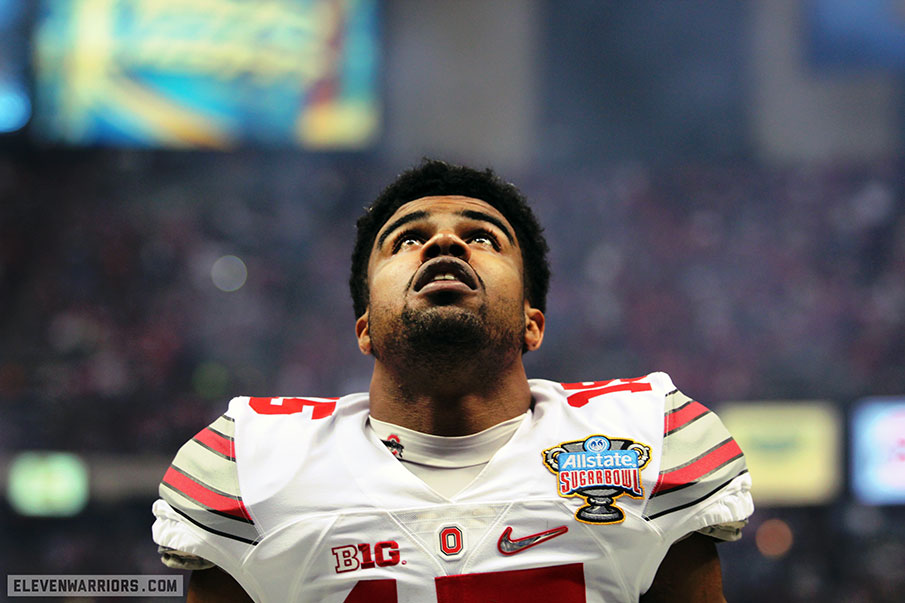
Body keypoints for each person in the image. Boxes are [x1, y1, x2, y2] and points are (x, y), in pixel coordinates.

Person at [151, 159, 753, 602]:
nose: (443, 240)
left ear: (531, 322)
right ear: (364, 327)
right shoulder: (250, 458)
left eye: (483, 236)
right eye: (406, 238)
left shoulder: (648, 432)